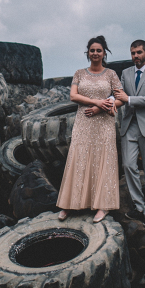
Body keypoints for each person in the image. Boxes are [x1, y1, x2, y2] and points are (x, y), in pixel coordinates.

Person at [57, 35, 123, 223]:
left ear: (104, 53)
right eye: (92, 50)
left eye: (98, 50)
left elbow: (121, 98)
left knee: (103, 160)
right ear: (88, 53)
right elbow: (73, 96)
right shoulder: (79, 73)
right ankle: (70, 204)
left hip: (104, 123)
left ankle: (103, 206)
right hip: (84, 123)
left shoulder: (111, 74)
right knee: (79, 158)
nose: (95, 53)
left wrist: (103, 107)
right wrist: (96, 102)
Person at [113, 40, 145, 226]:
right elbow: (118, 96)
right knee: (128, 165)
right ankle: (139, 206)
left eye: (139, 53)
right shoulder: (126, 73)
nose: (135, 56)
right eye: (133, 53)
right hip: (129, 126)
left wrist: (129, 99)